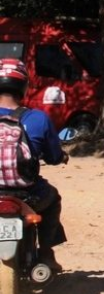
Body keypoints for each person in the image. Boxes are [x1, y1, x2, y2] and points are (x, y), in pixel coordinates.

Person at [0, 58, 68, 271]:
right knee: (53, 199)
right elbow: (54, 157)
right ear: (23, 86)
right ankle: (46, 253)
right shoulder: (38, 119)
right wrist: (61, 157)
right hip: (29, 194)